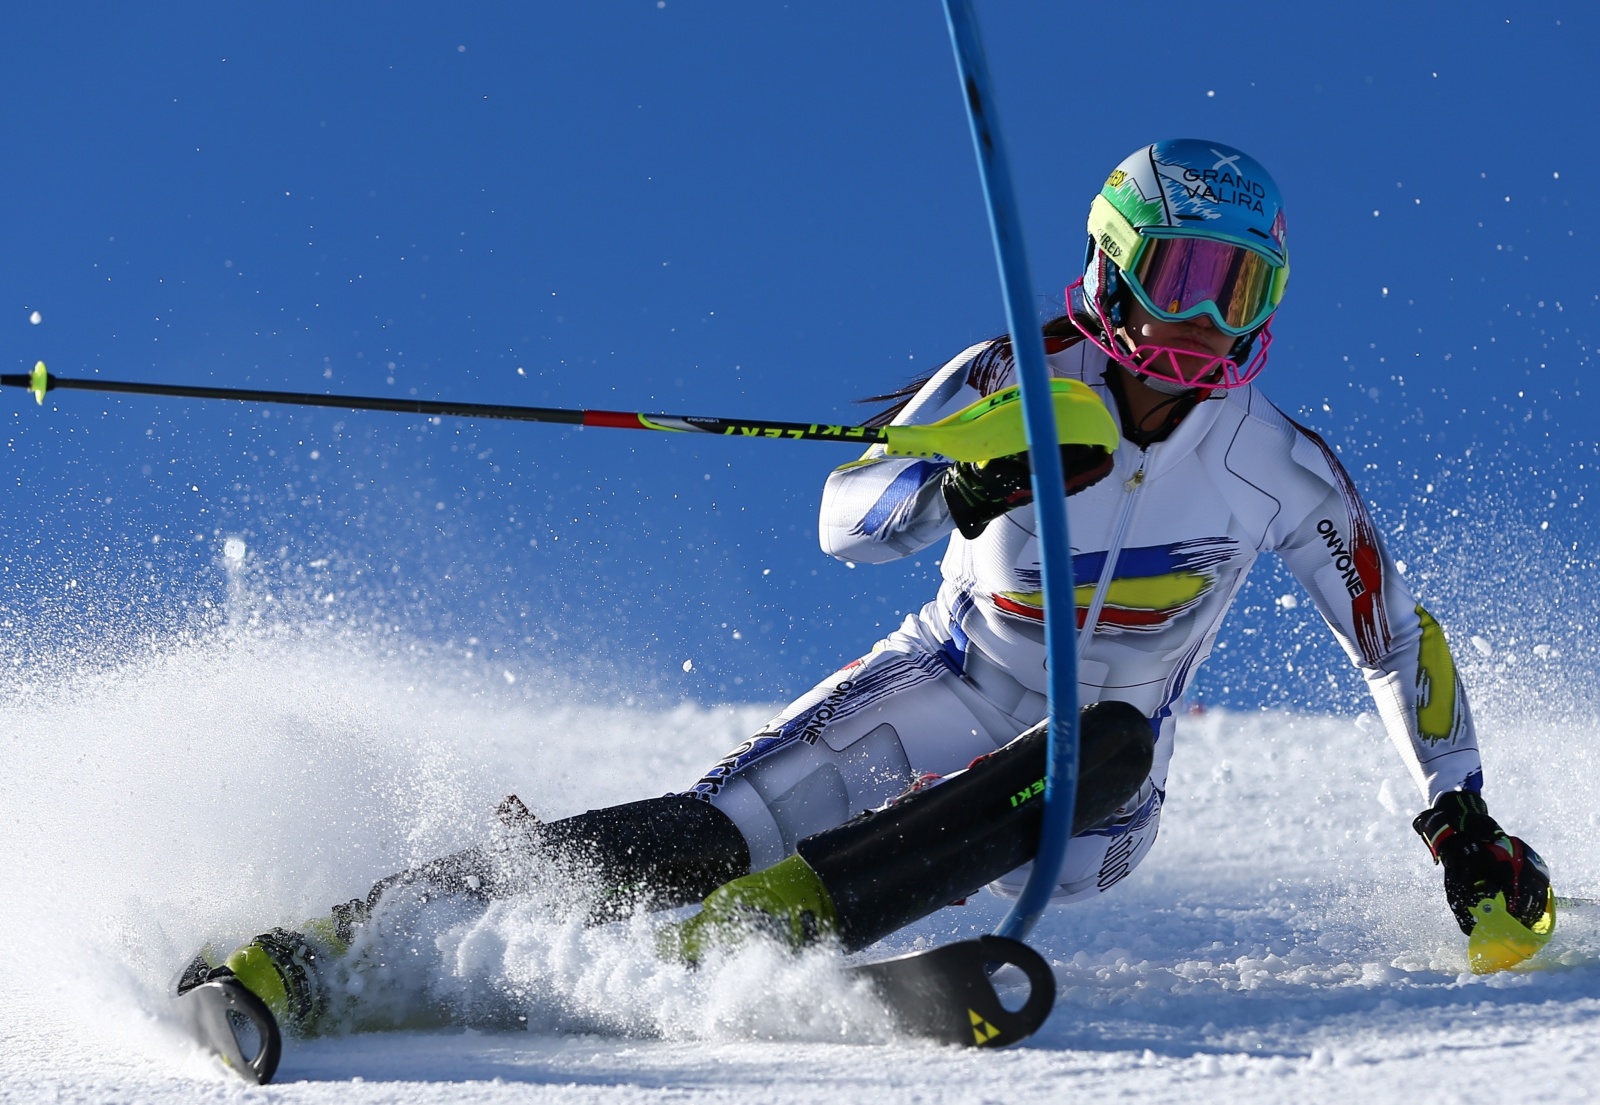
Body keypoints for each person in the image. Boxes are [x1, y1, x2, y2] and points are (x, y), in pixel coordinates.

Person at [188, 139, 1552, 1031]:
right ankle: (328, 948)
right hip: (940, 680)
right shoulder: (1016, 375)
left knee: (1116, 736)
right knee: (707, 821)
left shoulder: (1279, 468)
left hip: (1093, 798)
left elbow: (1389, 638)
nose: (1208, 326)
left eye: (1241, 290)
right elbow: (849, 514)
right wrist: (957, 488)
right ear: (1116, 266)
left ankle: (758, 931)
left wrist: (1462, 818)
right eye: (1187, 279)